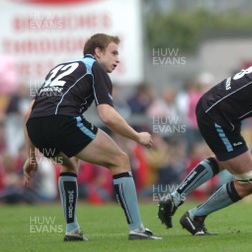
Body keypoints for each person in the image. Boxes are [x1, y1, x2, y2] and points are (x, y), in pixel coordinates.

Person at [22, 33, 161, 240]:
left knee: (69, 163)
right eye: (113, 52)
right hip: (63, 122)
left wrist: (31, 157)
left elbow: (28, 114)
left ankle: (72, 230)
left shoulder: (59, 68)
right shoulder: (95, 68)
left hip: (36, 128)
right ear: (98, 52)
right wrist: (137, 136)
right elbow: (107, 116)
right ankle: (137, 229)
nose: (117, 59)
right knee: (120, 159)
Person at [157, 49, 252, 235]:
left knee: (224, 159)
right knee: (251, 181)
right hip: (217, 116)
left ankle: (175, 198)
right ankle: (194, 215)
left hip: (221, 112)